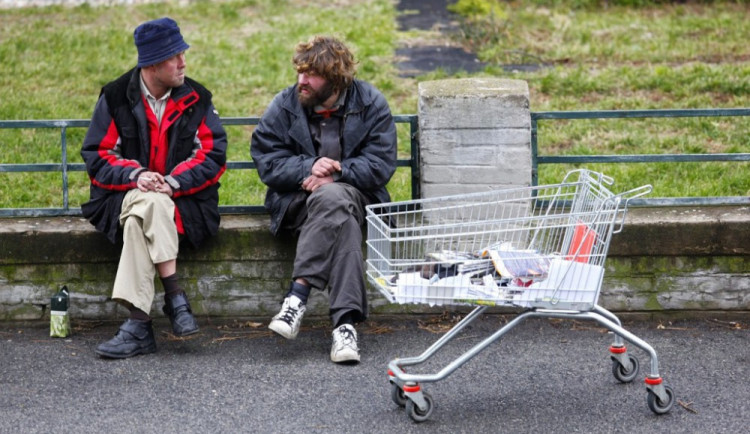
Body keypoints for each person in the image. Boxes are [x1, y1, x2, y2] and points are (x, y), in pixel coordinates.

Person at [81, 17, 227, 359]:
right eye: (174, 55)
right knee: (147, 202)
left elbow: (213, 154)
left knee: (141, 218)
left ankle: (139, 325)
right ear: (152, 63)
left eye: (182, 54)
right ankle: (174, 297)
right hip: (122, 196)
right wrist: (137, 176)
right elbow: (98, 155)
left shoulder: (197, 97)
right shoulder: (116, 97)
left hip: (186, 204)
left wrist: (171, 183)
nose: (183, 62)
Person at [251, 36, 397, 364]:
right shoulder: (286, 104)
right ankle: (345, 327)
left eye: (311, 74)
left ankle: (297, 298)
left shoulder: (370, 102)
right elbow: (266, 158)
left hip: (358, 196)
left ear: (334, 78)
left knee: (335, 198)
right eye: (300, 72)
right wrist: (307, 166)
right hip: (298, 202)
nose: (301, 80)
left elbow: (381, 163)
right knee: (340, 219)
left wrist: (339, 171)